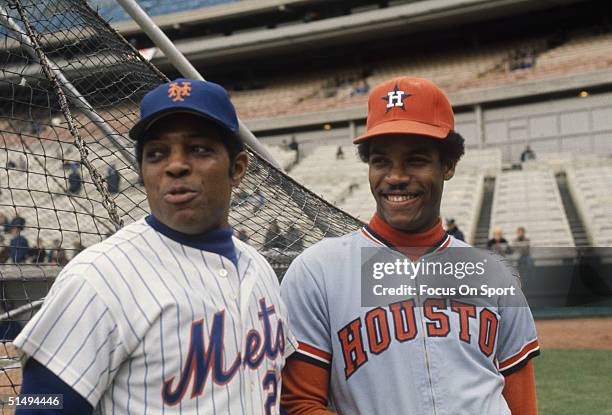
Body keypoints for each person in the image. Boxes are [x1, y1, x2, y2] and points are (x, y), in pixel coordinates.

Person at [14, 78, 296, 414]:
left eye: (199, 149)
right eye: (157, 154)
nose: (175, 165)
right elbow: (38, 405)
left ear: (237, 169)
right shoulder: (97, 280)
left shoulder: (259, 267)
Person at [280, 77, 539, 415]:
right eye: (381, 161)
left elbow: (521, 402)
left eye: (416, 160)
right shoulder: (317, 270)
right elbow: (299, 404)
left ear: (447, 165)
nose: (396, 176)